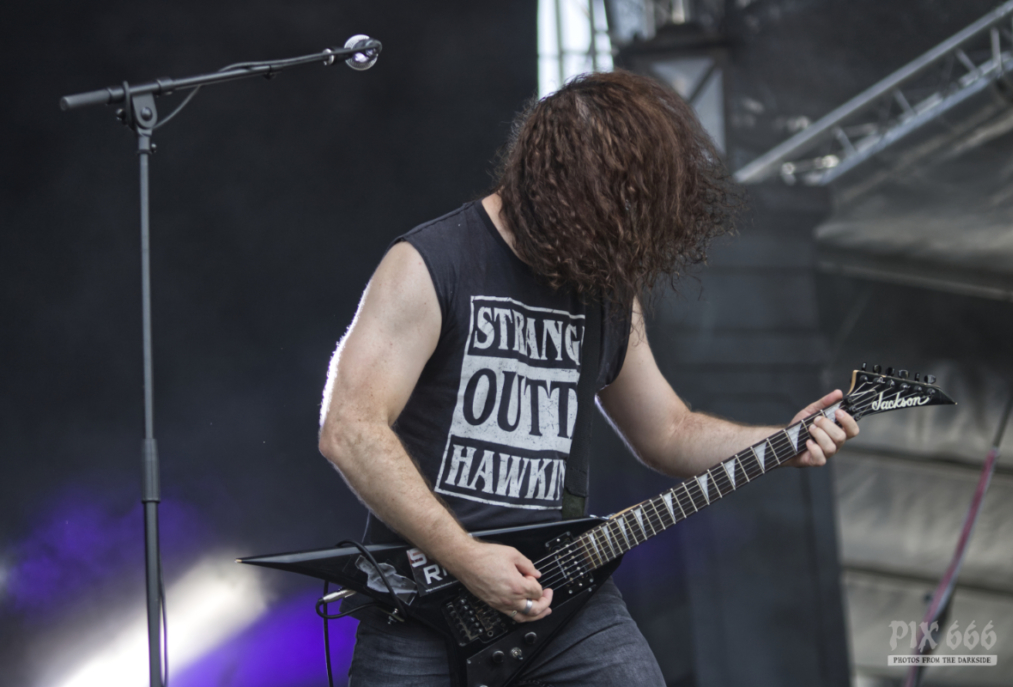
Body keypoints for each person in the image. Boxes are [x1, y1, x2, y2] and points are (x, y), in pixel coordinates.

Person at [317, 70, 859, 686]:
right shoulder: (429, 263)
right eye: (610, 205)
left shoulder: (607, 292)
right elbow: (349, 429)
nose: (623, 227)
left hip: (562, 592)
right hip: (423, 599)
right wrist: (465, 556)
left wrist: (779, 442)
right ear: (555, 184)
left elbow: (668, 431)